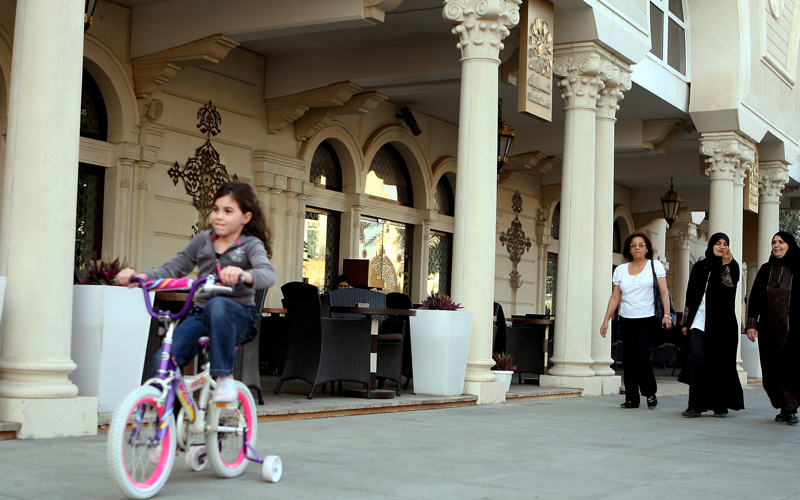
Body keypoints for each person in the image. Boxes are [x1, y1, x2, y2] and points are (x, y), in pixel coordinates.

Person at [116, 181, 276, 403]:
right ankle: (173, 424)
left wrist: (243, 274)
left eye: (228, 211)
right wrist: (142, 278)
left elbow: (268, 274)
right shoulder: (203, 241)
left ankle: (225, 377)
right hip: (199, 314)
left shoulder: (250, 245)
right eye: (216, 209)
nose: (219, 216)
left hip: (236, 315)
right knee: (166, 359)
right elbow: (173, 268)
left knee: (217, 304)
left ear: (245, 217)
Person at [600, 232, 672, 409]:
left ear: (647, 248)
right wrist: (606, 320)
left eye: (641, 245)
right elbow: (615, 297)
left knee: (641, 355)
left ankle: (650, 392)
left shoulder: (655, 266)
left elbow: (664, 292)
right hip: (627, 318)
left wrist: (667, 315)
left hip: (647, 319)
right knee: (629, 358)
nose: (637, 248)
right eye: (634, 245)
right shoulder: (621, 270)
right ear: (629, 249)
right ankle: (632, 398)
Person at [679, 233, 744, 418]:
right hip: (698, 321)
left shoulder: (732, 267)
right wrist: (685, 321)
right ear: (711, 245)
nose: (721, 246)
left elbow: (729, 286)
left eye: (725, 244)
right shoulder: (700, 266)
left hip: (722, 324)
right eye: (718, 243)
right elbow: (690, 294)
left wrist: (726, 264)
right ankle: (694, 405)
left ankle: (720, 405)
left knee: (719, 363)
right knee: (696, 360)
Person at [746, 231, 800, 425]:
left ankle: (790, 407)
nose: (776, 245)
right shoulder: (766, 269)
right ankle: (784, 406)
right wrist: (752, 323)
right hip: (769, 328)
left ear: (789, 245)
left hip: (792, 329)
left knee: (789, 368)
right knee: (772, 370)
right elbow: (755, 298)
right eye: (774, 242)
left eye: (781, 242)